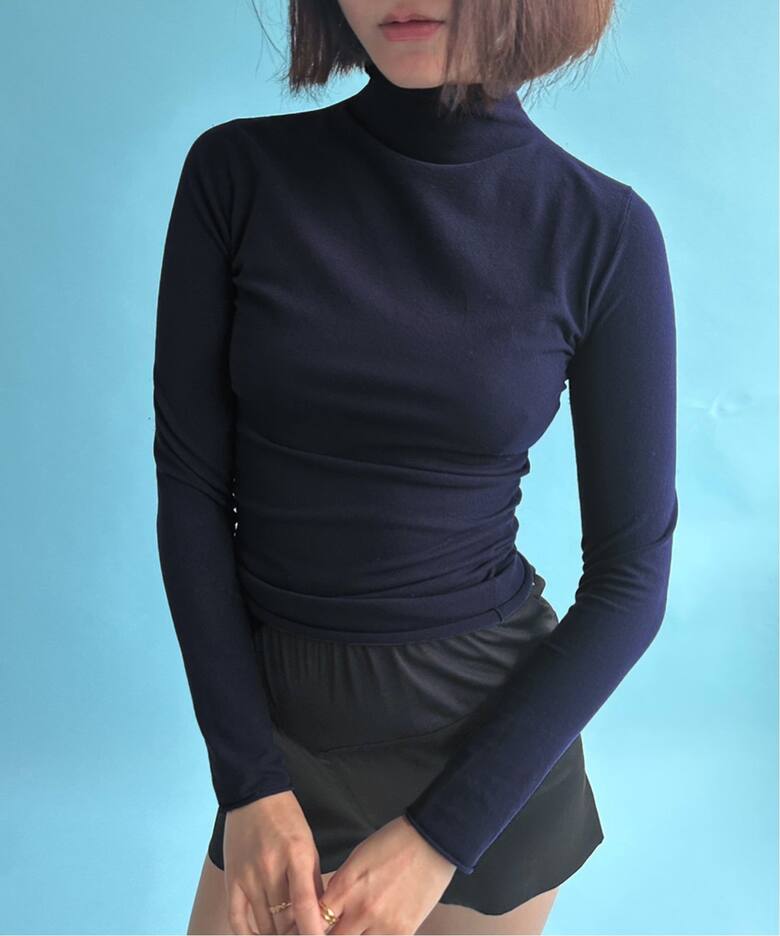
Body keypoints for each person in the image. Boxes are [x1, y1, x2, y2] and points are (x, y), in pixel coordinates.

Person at [152, 1, 678, 933]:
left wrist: (440, 836)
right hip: (279, 744)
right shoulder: (236, 175)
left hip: (486, 764)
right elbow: (192, 489)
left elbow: (631, 580)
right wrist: (249, 784)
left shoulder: (604, 232)